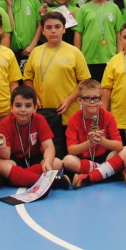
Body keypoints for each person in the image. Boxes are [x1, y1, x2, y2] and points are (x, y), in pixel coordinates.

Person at [23, 11, 91, 158]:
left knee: (66, 155)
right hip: (41, 112)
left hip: (66, 112)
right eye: (48, 27)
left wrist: (69, 100)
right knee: (44, 155)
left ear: (64, 29)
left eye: (57, 27)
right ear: (43, 31)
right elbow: (27, 78)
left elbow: (84, 81)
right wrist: (34, 97)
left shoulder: (74, 52)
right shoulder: (35, 52)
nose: (53, 31)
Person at [0, 86, 71, 189]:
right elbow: (6, 156)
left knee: (57, 163)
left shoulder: (39, 119)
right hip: (15, 161)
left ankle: (15, 178)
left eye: (28, 106)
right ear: (11, 107)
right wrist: (3, 147)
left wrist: (47, 162)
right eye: (18, 105)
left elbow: (49, 147)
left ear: (35, 108)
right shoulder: (5, 123)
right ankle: (51, 183)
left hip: (35, 159)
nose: (23, 110)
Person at [64, 80, 126, 188]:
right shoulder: (73, 119)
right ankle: (108, 171)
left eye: (96, 98)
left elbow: (119, 146)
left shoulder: (108, 116)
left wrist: (102, 141)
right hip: (85, 160)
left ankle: (90, 177)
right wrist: (90, 143)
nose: (92, 102)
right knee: (68, 160)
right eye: (87, 98)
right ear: (80, 101)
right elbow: (71, 150)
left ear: (101, 100)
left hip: (106, 157)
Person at [74, 0, 123, 81]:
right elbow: (78, 33)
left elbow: (119, 33)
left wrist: (119, 55)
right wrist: (78, 56)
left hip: (110, 58)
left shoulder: (114, 8)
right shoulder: (83, 9)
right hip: (89, 58)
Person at [3, 0, 42, 66]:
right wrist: (9, 6)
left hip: (32, 49)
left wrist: (33, 45)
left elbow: (40, 25)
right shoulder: (2, 5)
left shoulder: (33, 0)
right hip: (11, 51)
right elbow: (10, 28)